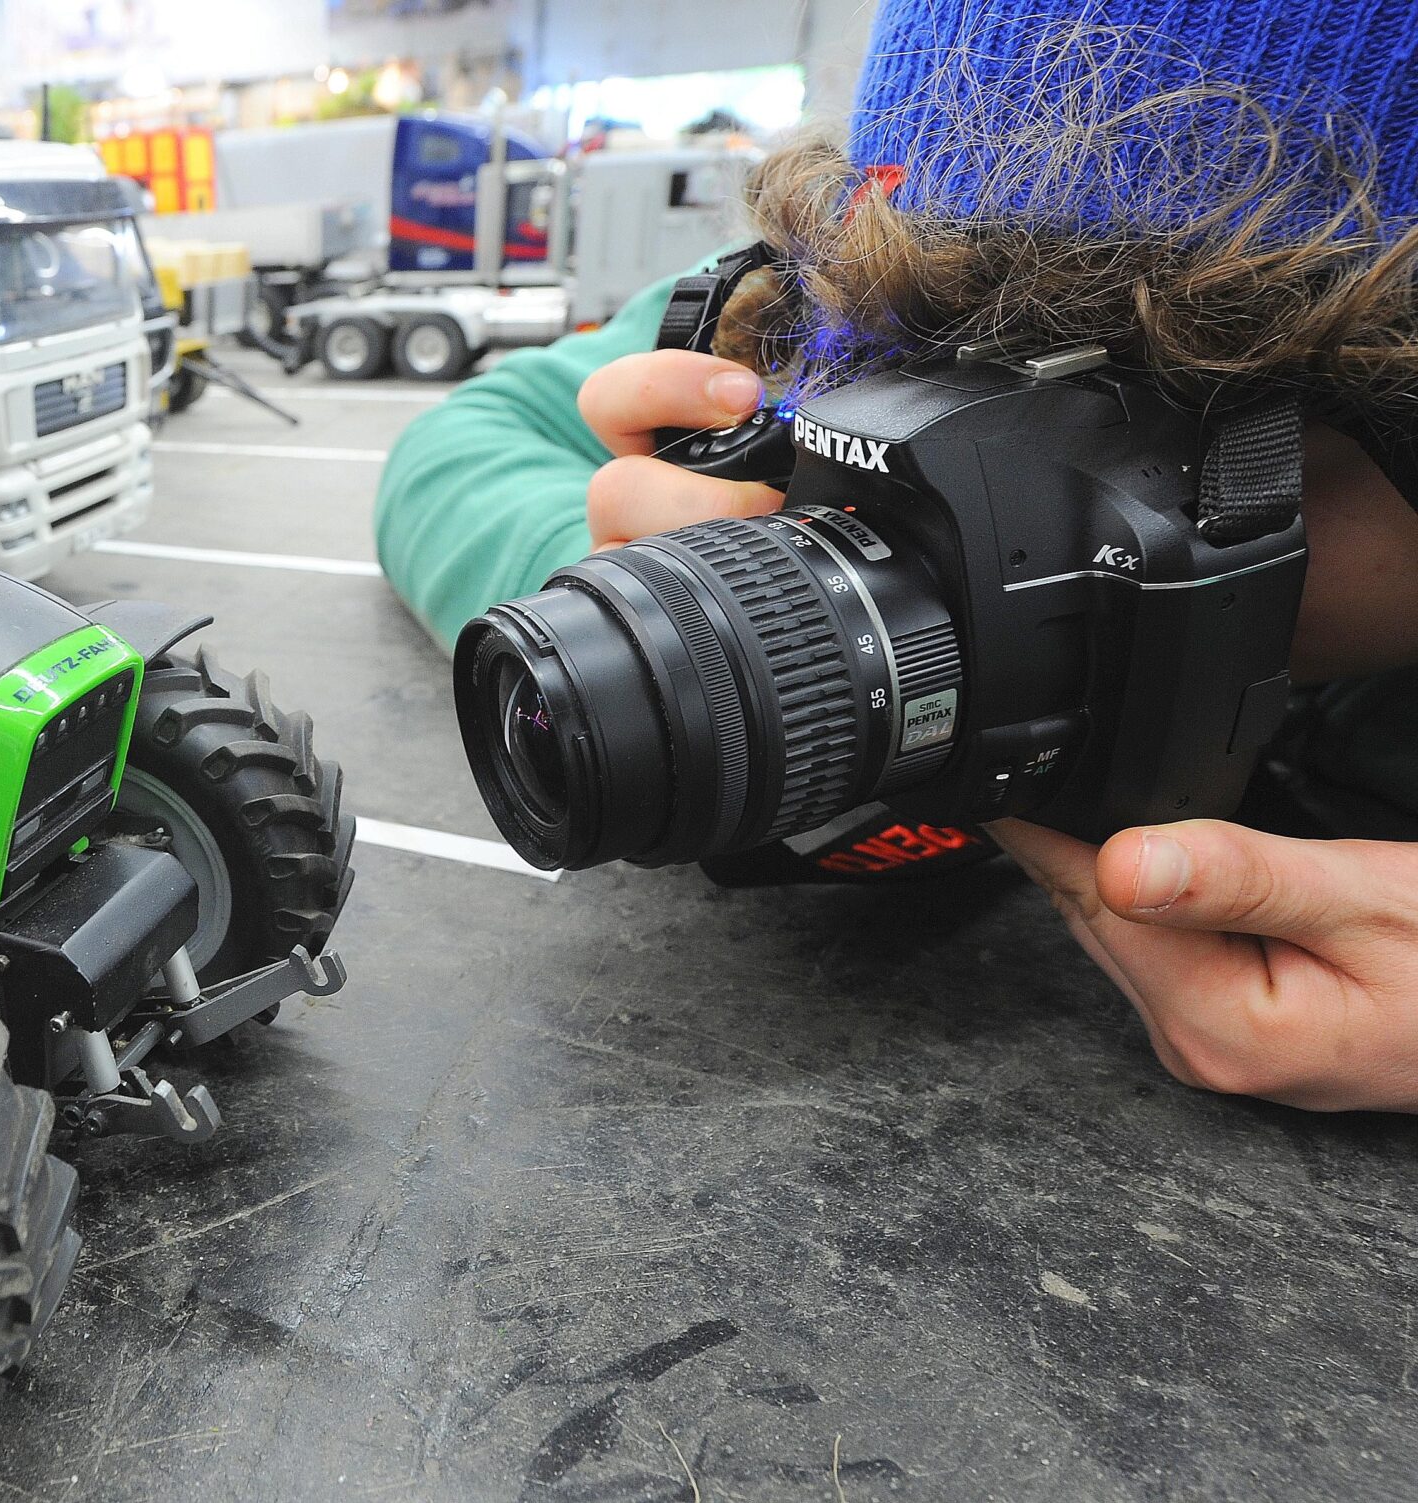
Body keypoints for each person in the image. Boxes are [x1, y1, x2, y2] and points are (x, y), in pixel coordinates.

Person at [374, 0, 1418, 1111]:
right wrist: (665, 580)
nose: (987, 485)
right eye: (903, 357)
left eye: (1166, 430)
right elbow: (466, 436)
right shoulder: (877, 251)